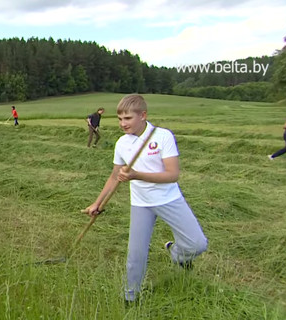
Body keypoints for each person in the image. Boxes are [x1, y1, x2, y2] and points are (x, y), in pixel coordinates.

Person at [83, 94, 208, 304]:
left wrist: (136, 175)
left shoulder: (163, 136)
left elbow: (172, 175)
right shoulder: (122, 143)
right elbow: (115, 176)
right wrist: (97, 203)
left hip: (169, 199)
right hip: (141, 203)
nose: (123, 124)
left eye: (128, 119)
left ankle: (176, 253)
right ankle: (130, 298)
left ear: (143, 115)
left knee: (197, 244)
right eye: (120, 119)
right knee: (135, 255)